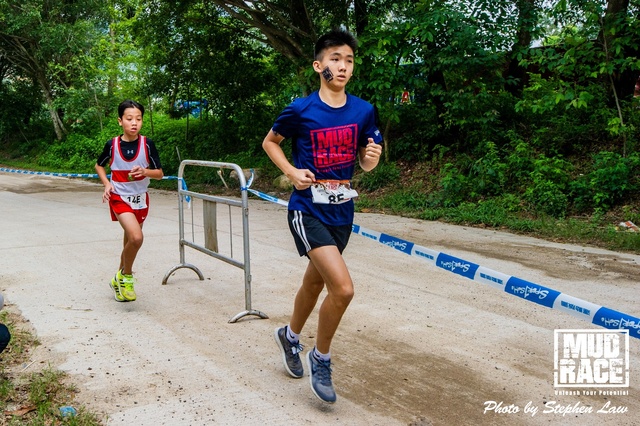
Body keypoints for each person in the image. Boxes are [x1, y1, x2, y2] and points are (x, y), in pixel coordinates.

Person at [263, 28, 383, 403]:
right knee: (342, 289)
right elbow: (270, 142)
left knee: (315, 284)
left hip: (342, 211)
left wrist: (370, 160)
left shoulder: (363, 110)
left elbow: (366, 161)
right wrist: (291, 172)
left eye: (349, 60)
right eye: (335, 59)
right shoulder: (301, 109)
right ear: (319, 66)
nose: (343, 66)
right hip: (307, 209)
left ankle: (289, 337)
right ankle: (321, 357)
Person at [95, 100, 163, 302]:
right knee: (136, 238)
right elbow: (99, 165)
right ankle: (127, 276)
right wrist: (107, 183)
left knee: (129, 242)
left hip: (140, 199)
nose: (134, 123)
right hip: (119, 197)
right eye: (129, 118)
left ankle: (118, 280)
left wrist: (145, 172)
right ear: (120, 121)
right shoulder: (112, 145)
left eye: (138, 119)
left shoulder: (147, 144)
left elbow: (159, 173)